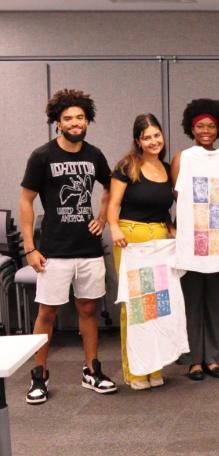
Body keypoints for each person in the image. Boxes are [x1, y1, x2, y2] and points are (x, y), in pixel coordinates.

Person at [21, 88, 117, 404]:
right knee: (47, 312)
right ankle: (39, 375)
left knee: (88, 309)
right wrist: (30, 248)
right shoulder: (42, 156)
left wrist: (102, 217)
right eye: (68, 118)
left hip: (88, 249)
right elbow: (26, 200)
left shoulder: (94, 155)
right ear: (58, 123)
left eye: (80, 117)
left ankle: (92, 370)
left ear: (87, 120)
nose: (75, 123)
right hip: (54, 249)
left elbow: (110, 186)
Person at [171, 98, 219, 381]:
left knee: (216, 300)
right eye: (200, 126)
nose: (206, 131)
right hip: (192, 237)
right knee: (192, 300)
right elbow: (178, 196)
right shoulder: (183, 158)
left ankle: (212, 357)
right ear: (191, 128)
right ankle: (193, 359)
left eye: (211, 126)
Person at [107, 113, 174, 390]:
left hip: (158, 239)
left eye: (157, 135)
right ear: (138, 141)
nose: (153, 141)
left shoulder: (167, 169)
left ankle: (153, 368)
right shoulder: (127, 166)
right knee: (134, 307)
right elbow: (113, 203)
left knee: (156, 306)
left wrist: (171, 228)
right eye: (147, 137)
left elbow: (165, 207)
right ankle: (134, 371)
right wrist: (114, 227)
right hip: (130, 238)